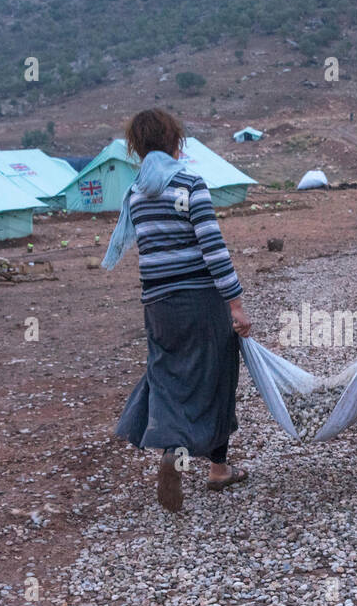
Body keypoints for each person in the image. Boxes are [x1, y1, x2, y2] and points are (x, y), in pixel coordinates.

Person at [107, 108, 252, 512]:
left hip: (157, 304)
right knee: (217, 375)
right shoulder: (189, 184)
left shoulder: (135, 193)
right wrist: (235, 304)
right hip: (200, 301)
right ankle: (218, 468)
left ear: (136, 147)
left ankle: (172, 449)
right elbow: (213, 249)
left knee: (168, 376)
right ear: (177, 142)